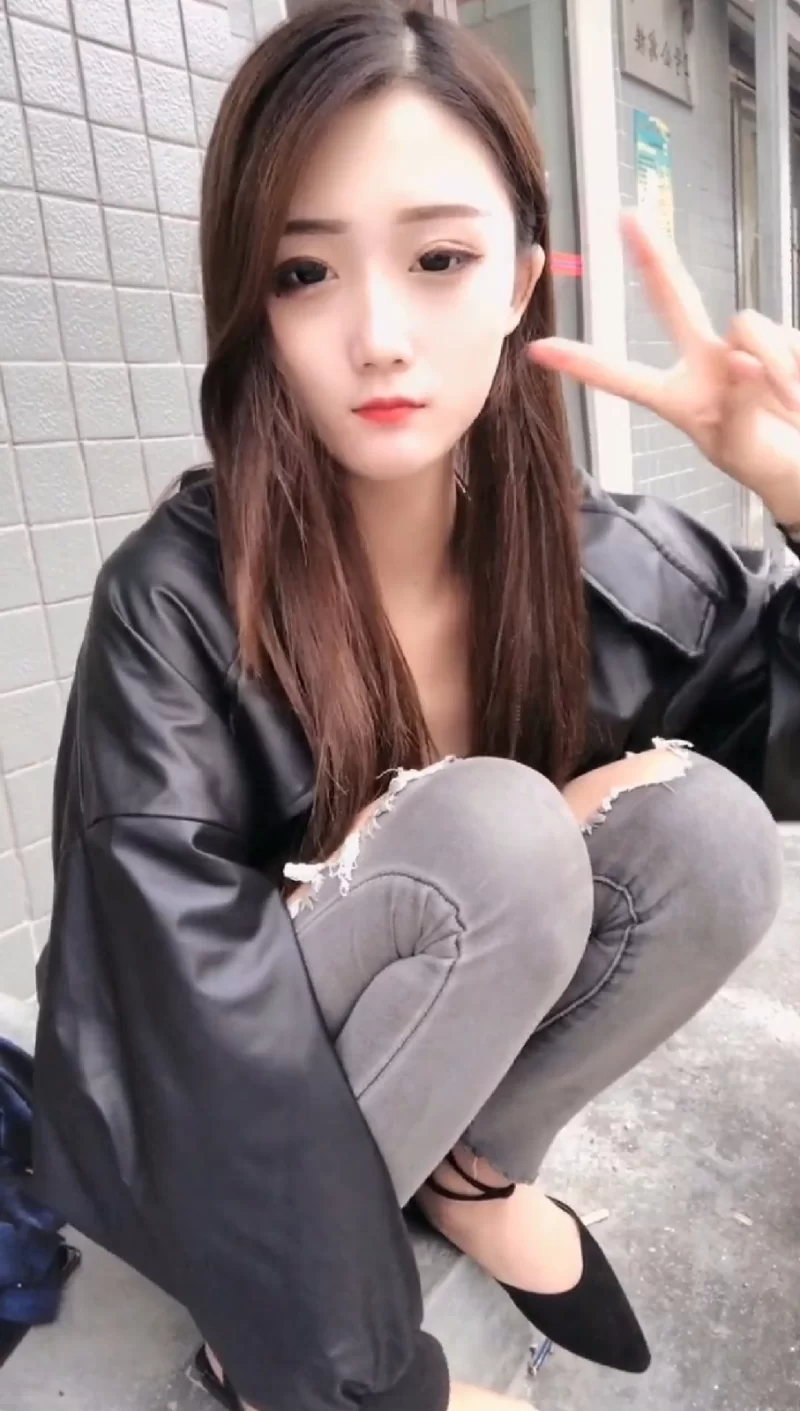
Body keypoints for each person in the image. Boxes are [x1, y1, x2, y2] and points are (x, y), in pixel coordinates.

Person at [29, 3, 800, 1409]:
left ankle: (469, 1169)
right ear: (252, 302)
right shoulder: (171, 600)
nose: (379, 337)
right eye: (305, 271)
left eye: (440, 259)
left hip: (374, 1075)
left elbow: (784, 730)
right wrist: (376, 1382)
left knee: (718, 835)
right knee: (496, 835)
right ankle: (259, 1345)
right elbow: (192, 1033)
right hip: (203, 1136)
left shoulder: (594, 558)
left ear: (521, 279)